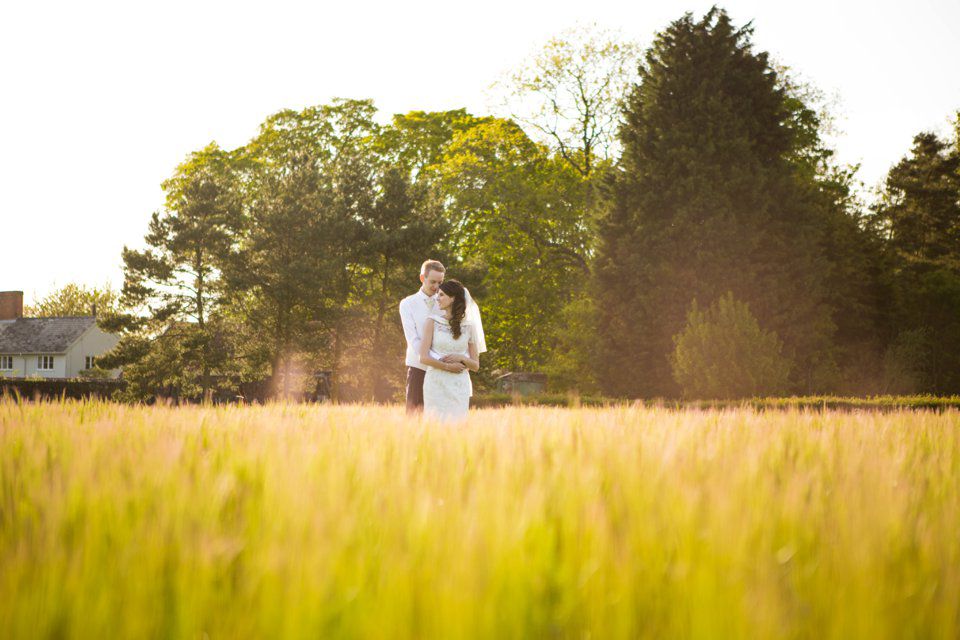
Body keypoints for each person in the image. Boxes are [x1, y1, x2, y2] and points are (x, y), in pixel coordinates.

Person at [418, 280, 481, 422]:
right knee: (435, 424)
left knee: (457, 425)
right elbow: (423, 357)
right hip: (436, 383)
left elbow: (476, 366)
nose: (437, 298)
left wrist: (461, 358)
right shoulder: (432, 322)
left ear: (452, 298)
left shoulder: (469, 326)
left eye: (441, 295)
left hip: (459, 385)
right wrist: (447, 367)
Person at [399, 260, 453, 413]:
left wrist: (444, 363)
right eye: (433, 282)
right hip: (418, 367)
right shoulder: (407, 303)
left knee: (439, 416)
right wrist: (432, 359)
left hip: (442, 370)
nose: (436, 287)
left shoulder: (446, 303)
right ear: (422, 278)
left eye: (440, 282)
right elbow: (413, 339)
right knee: (414, 415)